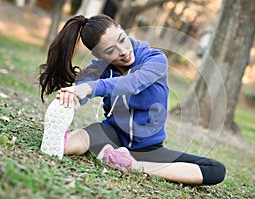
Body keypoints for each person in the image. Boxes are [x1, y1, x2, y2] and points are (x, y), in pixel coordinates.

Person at [38, 14, 226, 185]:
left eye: (122, 39)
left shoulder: (155, 59)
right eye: (111, 50)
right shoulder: (99, 68)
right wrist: (72, 98)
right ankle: (61, 143)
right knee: (86, 135)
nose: (123, 51)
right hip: (112, 135)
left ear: (122, 29)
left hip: (148, 148)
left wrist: (89, 88)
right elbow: (84, 88)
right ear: (99, 55)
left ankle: (132, 164)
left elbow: (131, 83)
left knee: (216, 170)